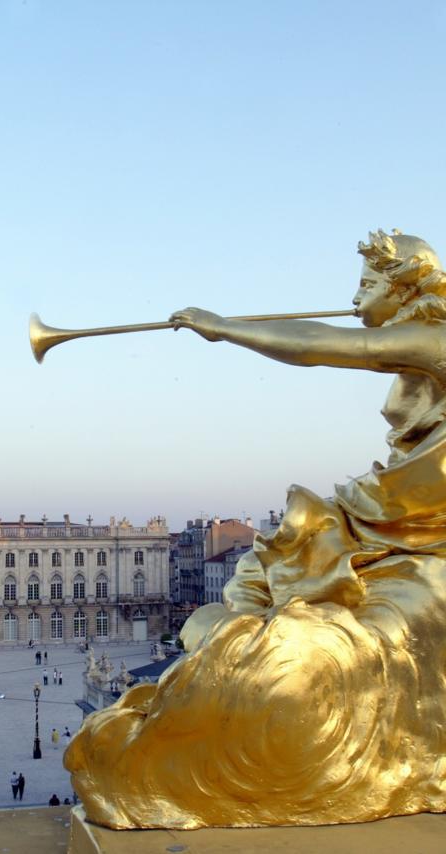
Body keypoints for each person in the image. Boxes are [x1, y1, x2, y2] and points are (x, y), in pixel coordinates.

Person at [65, 231, 446, 829]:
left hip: (417, 531)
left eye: (369, 284)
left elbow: (322, 344)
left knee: (304, 578)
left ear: (405, 291)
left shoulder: (436, 339)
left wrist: (225, 328)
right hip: (394, 522)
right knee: (270, 565)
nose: (354, 296)